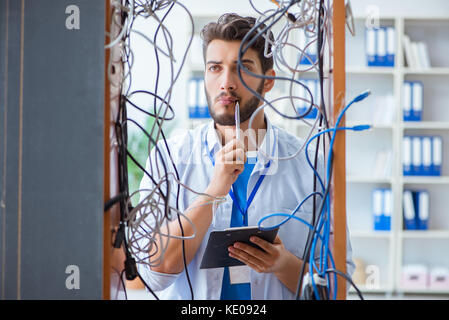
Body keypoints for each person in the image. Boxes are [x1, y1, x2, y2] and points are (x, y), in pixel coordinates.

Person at [137, 13, 354, 300]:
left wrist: (283, 264)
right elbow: (151, 273)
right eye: (215, 68)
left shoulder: (311, 164)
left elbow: (336, 288)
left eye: (241, 68)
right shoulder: (169, 158)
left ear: (268, 81)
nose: (226, 82)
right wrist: (214, 192)